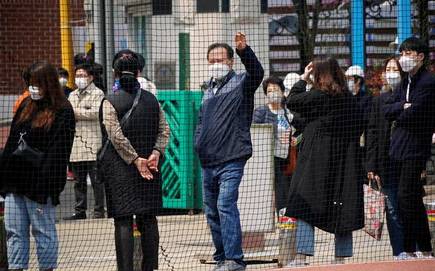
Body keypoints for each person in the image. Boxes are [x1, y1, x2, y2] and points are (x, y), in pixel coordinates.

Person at [285, 57, 364, 266]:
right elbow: (359, 126)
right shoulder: (349, 100)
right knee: (343, 206)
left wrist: (302, 78)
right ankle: (341, 259)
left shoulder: (319, 96)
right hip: (344, 165)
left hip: (316, 163)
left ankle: (301, 256)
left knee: (304, 204)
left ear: (319, 75)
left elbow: (292, 101)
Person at [194, 32, 264, 271]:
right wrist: (197, 143)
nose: (216, 64)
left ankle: (235, 259)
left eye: (221, 59)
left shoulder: (243, 82)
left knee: (225, 204)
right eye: (211, 60)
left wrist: (245, 50)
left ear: (231, 61)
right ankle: (222, 256)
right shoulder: (207, 90)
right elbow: (202, 123)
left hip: (232, 157)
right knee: (211, 211)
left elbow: (258, 73)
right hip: (207, 160)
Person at [0, 61, 75, 271]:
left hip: (41, 184)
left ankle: (47, 268)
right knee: (14, 231)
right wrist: (4, 177)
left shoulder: (63, 111)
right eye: (29, 84)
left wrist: (48, 183)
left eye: (35, 84)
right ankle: (16, 267)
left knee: (43, 232)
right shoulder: (26, 105)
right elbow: (12, 141)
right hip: (16, 181)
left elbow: (59, 152)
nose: (32, 88)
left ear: (47, 84)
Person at [98, 54, 169, 271]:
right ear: (139, 72)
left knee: (123, 220)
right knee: (148, 218)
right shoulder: (152, 99)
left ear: (115, 73)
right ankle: (150, 268)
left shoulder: (110, 100)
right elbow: (164, 130)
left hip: (120, 169)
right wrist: (155, 153)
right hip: (150, 167)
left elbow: (115, 135)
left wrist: (134, 159)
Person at [382, 37, 435, 258]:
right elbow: (387, 109)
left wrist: (402, 110)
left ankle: (416, 248)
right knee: (409, 198)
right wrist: (403, 107)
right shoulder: (406, 82)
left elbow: (415, 114)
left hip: (415, 148)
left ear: (420, 56)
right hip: (398, 149)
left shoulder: (428, 82)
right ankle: (418, 248)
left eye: (409, 53)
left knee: (406, 196)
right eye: (402, 52)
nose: (404, 57)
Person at [366, 56, 408, 259]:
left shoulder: (411, 98)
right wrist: (371, 166)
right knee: (391, 209)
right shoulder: (378, 100)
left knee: (408, 206)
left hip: (407, 162)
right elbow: (372, 133)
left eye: (395, 69)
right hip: (386, 163)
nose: (391, 73)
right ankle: (399, 251)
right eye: (388, 68)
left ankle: (415, 248)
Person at [253, 76, 304, 214]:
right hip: (265, 162)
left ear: (282, 92)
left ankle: (284, 223)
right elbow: (254, 133)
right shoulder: (260, 112)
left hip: (285, 161)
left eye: (276, 90)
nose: (272, 93)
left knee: (284, 194)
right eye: (269, 90)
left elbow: (304, 130)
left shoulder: (288, 113)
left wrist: (296, 140)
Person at [63, 64, 106, 220]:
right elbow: (67, 113)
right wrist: (79, 113)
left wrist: (75, 112)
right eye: (78, 75)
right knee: (78, 181)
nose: (79, 78)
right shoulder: (72, 94)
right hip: (76, 144)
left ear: (90, 77)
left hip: (93, 143)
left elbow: (96, 113)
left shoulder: (98, 93)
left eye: (83, 75)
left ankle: (99, 211)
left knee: (96, 181)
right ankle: (80, 211)